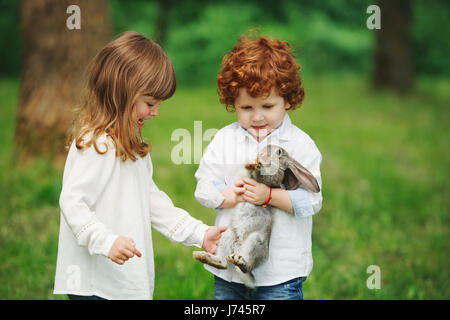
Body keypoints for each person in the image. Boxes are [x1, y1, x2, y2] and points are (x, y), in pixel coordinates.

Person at [53, 31, 226, 300]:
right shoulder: (96, 144)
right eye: (150, 103)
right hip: (95, 283)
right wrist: (106, 241)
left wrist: (199, 233)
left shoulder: (131, 144)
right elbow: (73, 203)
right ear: (122, 93)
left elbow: (152, 201)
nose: (156, 112)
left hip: (121, 279)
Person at [194, 34, 323, 300]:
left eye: (267, 105)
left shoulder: (300, 144)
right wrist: (228, 196)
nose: (257, 116)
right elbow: (204, 185)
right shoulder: (224, 139)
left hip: (281, 275)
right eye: (246, 107)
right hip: (229, 274)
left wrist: (269, 197)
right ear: (233, 103)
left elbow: (312, 200)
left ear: (287, 99)